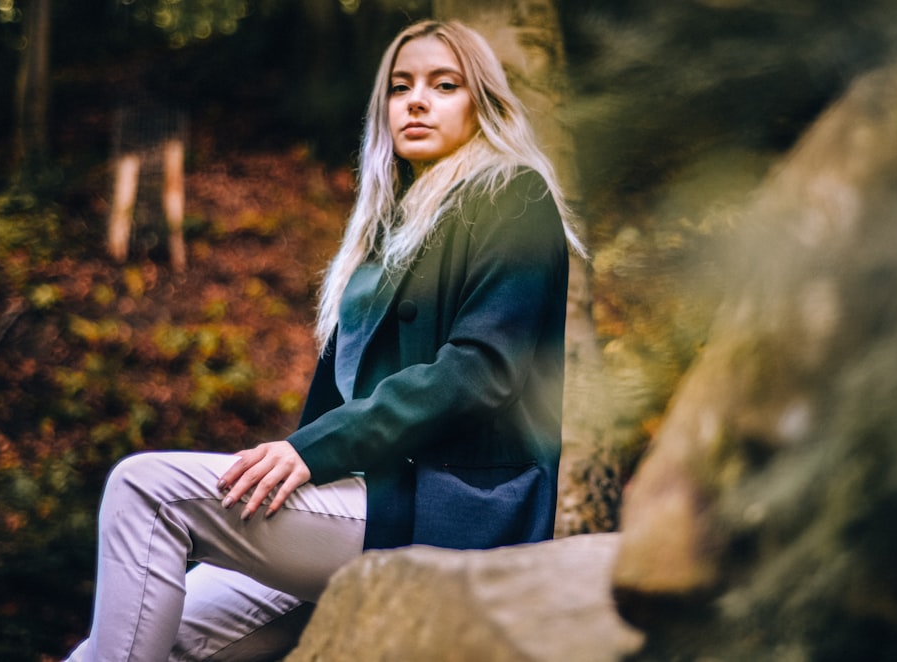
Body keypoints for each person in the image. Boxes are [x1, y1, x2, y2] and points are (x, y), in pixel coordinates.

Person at [65, 18, 584, 661]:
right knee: (111, 644)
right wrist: (299, 458)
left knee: (146, 487)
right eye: (401, 87)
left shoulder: (510, 194)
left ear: (484, 103)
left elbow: (478, 371)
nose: (416, 100)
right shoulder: (381, 235)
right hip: (355, 504)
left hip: (448, 510)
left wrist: (308, 451)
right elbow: (333, 403)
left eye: (444, 85)